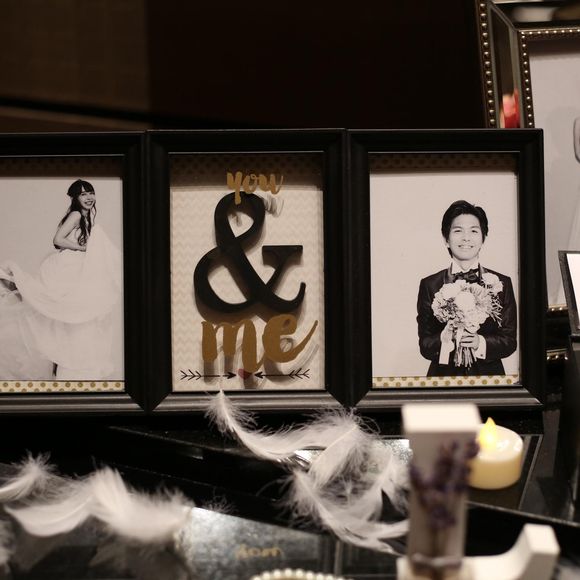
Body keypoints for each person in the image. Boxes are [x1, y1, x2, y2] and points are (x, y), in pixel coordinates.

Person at [0, 179, 122, 380]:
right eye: (83, 194)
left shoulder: (86, 217)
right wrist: (84, 248)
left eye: (90, 192)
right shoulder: (76, 215)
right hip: (67, 266)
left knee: (66, 318)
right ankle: (14, 282)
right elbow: (57, 240)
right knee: (57, 310)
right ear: (75, 198)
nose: (89, 197)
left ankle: (61, 366)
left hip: (75, 266)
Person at [416, 200, 517, 376]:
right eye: (458, 231)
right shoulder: (429, 285)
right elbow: (425, 345)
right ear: (446, 239)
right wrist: (444, 339)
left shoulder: (501, 283)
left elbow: (509, 340)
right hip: (444, 378)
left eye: (474, 231)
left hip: (489, 379)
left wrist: (480, 343)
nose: (466, 238)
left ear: (483, 238)